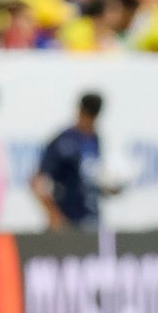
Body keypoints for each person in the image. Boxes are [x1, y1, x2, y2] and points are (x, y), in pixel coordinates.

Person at [32, 92, 111, 230]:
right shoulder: (63, 141)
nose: (89, 121)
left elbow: (92, 178)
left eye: (93, 117)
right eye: (87, 115)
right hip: (68, 221)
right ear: (79, 110)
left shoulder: (94, 138)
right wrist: (55, 215)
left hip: (92, 220)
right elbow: (37, 181)